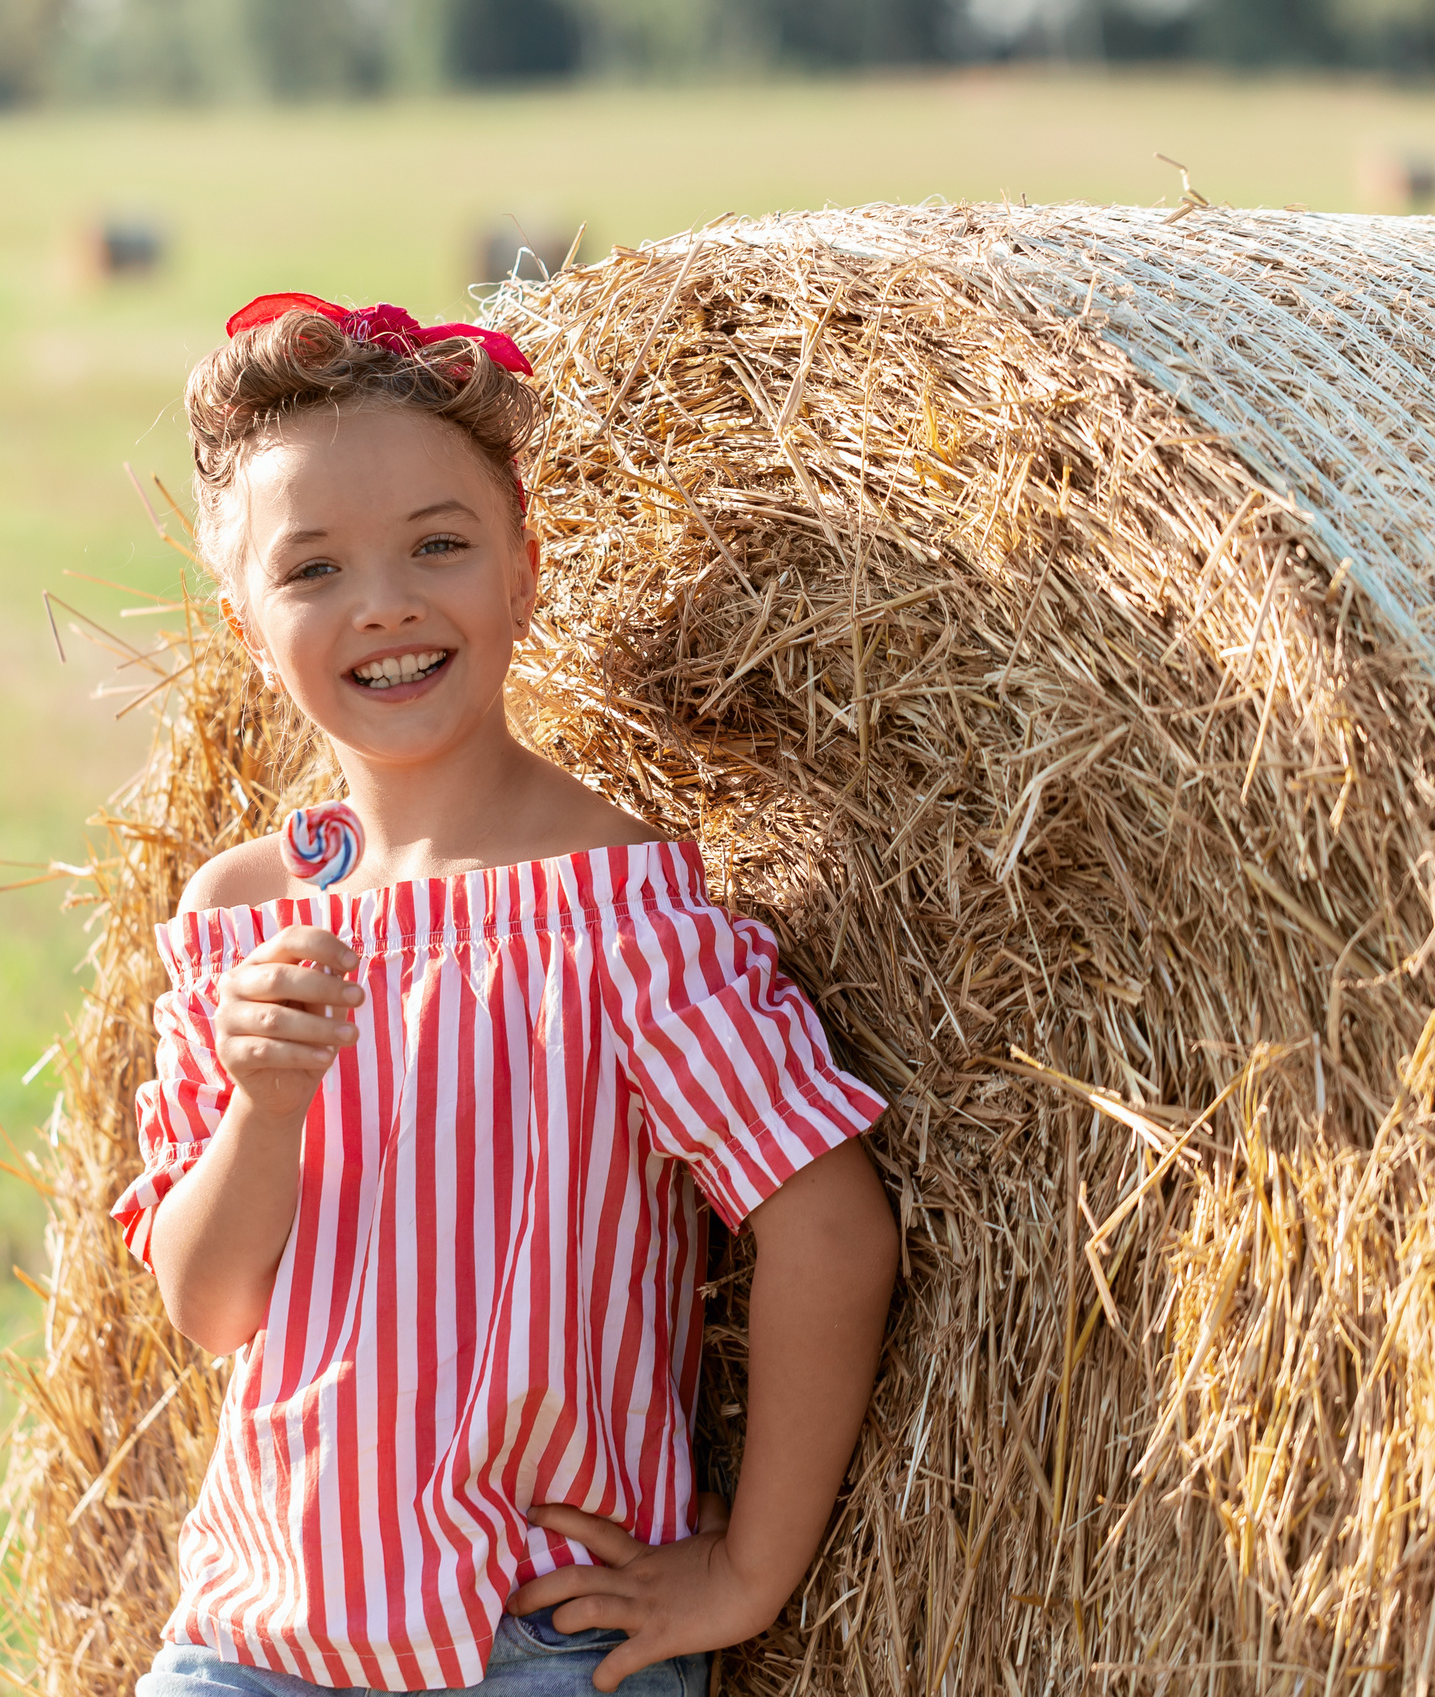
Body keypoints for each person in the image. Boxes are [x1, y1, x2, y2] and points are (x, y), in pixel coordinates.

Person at [113, 293, 899, 1697]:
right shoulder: (240, 916)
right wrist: (264, 1105)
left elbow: (830, 1231)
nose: (387, 603)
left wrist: (748, 1568)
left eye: (440, 544)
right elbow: (209, 1299)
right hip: (255, 1636)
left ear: (525, 572)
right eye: (313, 571)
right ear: (245, 622)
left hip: (535, 1643)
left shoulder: (621, 909)